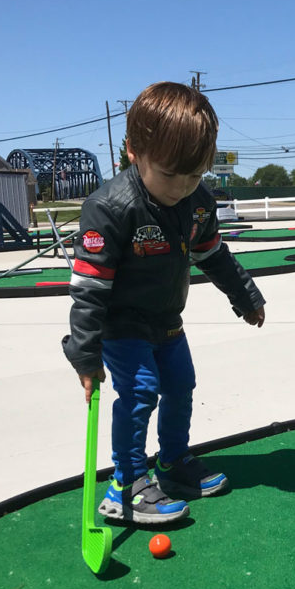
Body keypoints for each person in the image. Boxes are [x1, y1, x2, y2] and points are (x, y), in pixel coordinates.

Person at [63, 82, 265, 525]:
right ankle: (128, 483)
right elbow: (89, 287)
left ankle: (172, 464)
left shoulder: (198, 203)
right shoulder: (110, 208)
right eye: (171, 174)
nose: (183, 187)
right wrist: (84, 351)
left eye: (195, 176)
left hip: (168, 321)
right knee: (139, 392)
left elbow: (213, 254)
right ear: (134, 150)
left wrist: (244, 295)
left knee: (180, 386)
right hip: (120, 324)